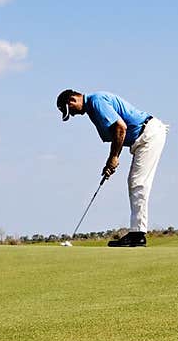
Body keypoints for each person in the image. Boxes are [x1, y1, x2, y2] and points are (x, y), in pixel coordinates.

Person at [56, 89, 168, 246]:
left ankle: (138, 235)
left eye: (70, 111)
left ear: (73, 100)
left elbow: (120, 128)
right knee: (135, 181)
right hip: (144, 136)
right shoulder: (93, 109)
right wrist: (112, 159)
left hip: (148, 134)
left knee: (138, 182)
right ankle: (137, 233)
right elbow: (117, 134)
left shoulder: (96, 102)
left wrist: (113, 157)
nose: (72, 115)